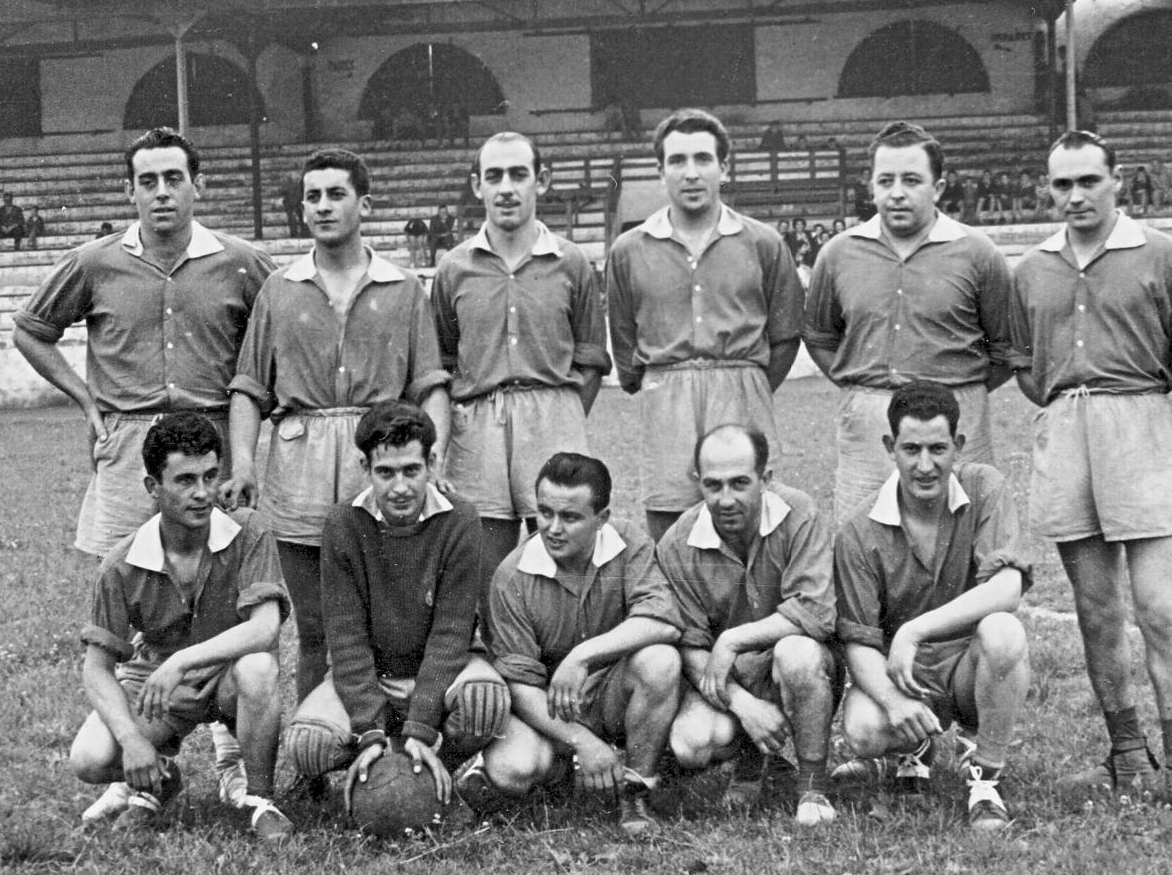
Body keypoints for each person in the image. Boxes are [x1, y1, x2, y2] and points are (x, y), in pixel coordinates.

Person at [1007, 130, 1172, 822]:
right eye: (1061, 184)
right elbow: (1025, 369)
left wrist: (1150, 428)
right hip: (1066, 432)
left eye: (1088, 181)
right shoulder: (1031, 269)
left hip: (1143, 427)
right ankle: (1126, 753)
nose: (1075, 196)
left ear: (1116, 181)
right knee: (1097, 610)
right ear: (1047, 189)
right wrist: (1074, 418)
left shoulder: (1162, 254)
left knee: (1157, 609)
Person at [222, 149, 450, 706]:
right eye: (313, 197)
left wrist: (434, 460)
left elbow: (430, 386)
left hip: (381, 462)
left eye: (336, 194)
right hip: (298, 464)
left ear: (364, 204)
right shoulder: (280, 289)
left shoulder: (403, 288)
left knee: (384, 618)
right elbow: (249, 387)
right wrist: (245, 463)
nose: (323, 206)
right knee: (316, 626)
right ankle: (315, 740)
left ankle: (384, 735)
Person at [14, 128, 278, 588]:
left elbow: (283, 337)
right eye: (148, 181)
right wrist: (85, 399)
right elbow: (30, 332)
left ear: (198, 185)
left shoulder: (242, 261)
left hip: (212, 441)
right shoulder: (93, 262)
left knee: (220, 585)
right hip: (129, 441)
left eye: (174, 179)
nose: (162, 193)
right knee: (126, 581)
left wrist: (250, 433)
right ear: (129, 190)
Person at [67, 413, 294, 841]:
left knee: (259, 667)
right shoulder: (120, 564)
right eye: (185, 480)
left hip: (226, 673)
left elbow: (265, 628)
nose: (203, 492)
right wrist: (132, 740)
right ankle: (161, 778)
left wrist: (184, 661)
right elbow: (96, 670)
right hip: (158, 683)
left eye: (210, 476)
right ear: (153, 487)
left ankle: (261, 801)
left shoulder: (248, 530)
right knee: (90, 759)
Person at [282, 402, 510, 807]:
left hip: (441, 670)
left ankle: (430, 771)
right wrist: (370, 730)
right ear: (365, 467)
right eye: (386, 473)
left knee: (485, 700)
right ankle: (380, 760)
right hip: (377, 673)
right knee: (308, 744)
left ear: (431, 464)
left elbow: (451, 634)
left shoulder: (460, 519)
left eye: (411, 470)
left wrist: (421, 727)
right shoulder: (342, 523)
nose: (400, 487)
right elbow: (346, 639)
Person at [830, 381, 1032, 830]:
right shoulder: (858, 531)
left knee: (1004, 632)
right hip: (904, 674)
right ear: (890, 447)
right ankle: (914, 745)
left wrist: (914, 630)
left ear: (958, 445)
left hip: (967, 670)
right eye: (911, 449)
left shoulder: (984, 487)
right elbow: (857, 641)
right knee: (863, 730)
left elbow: (1008, 588)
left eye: (938, 449)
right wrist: (892, 701)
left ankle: (985, 778)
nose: (925, 465)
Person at [606, 108, 804, 543]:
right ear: (660, 171)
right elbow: (623, 337)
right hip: (667, 393)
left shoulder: (763, 242)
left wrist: (748, 383)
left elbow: (786, 334)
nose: (691, 173)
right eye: (677, 161)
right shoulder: (629, 250)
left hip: (741, 388)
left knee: (750, 520)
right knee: (671, 527)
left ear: (724, 168)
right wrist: (658, 382)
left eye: (703, 159)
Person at [802, 120, 1015, 520]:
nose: (897, 192)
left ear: (938, 187)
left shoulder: (978, 253)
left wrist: (958, 388)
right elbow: (819, 336)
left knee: (963, 537)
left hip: (956, 415)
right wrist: (861, 386)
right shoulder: (838, 254)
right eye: (886, 181)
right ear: (871, 186)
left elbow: (1006, 347)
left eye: (912, 180)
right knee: (862, 536)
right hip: (869, 423)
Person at [463, 453, 682, 835]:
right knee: (513, 768)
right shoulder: (511, 577)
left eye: (570, 517)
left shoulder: (629, 542)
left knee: (660, 661)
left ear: (602, 517)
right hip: (552, 709)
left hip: (611, 696)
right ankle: (557, 770)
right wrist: (582, 742)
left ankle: (636, 790)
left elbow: (663, 621)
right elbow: (519, 685)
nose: (553, 528)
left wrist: (583, 655)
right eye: (545, 513)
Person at [434, 131, 611, 562]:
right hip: (478, 426)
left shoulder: (571, 262)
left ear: (541, 180)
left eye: (518, 174)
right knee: (481, 562)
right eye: (494, 176)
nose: (506, 188)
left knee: (559, 557)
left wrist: (563, 414)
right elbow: (441, 360)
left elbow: (591, 356)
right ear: (477, 186)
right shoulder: (453, 267)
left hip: (552, 416)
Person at [657, 424, 841, 827]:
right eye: (713, 485)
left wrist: (732, 640)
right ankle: (750, 762)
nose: (726, 499)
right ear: (697, 481)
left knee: (797, 653)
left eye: (740, 483)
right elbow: (690, 647)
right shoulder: (677, 542)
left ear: (765, 478)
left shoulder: (800, 513)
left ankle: (812, 787)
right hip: (730, 680)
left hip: (797, 662)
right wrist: (745, 704)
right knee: (692, 743)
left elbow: (815, 612)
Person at [280, 169, 305, 239]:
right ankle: (294, 233)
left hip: (298, 204)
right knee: (293, 219)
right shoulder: (289, 185)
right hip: (292, 204)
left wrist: (293, 203)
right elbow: (283, 192)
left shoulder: (298, 185)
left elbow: (299, 195)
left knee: (301, 219)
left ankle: (303, 233)